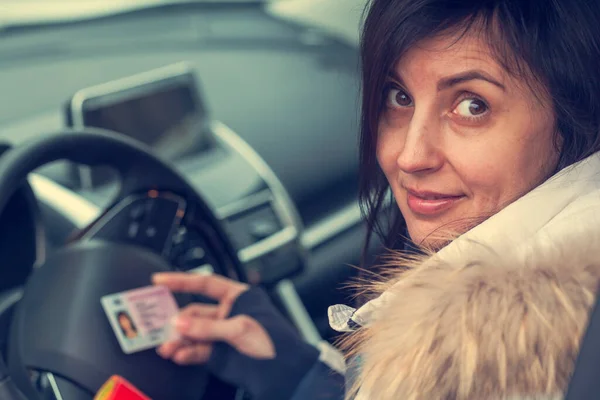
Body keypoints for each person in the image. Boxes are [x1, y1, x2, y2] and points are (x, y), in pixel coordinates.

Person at [151, 0, 600, 398]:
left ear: (574, 122)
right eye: (399, 96)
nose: (408, 155)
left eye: (472, 106)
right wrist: (302, 376)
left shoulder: (504, 357)